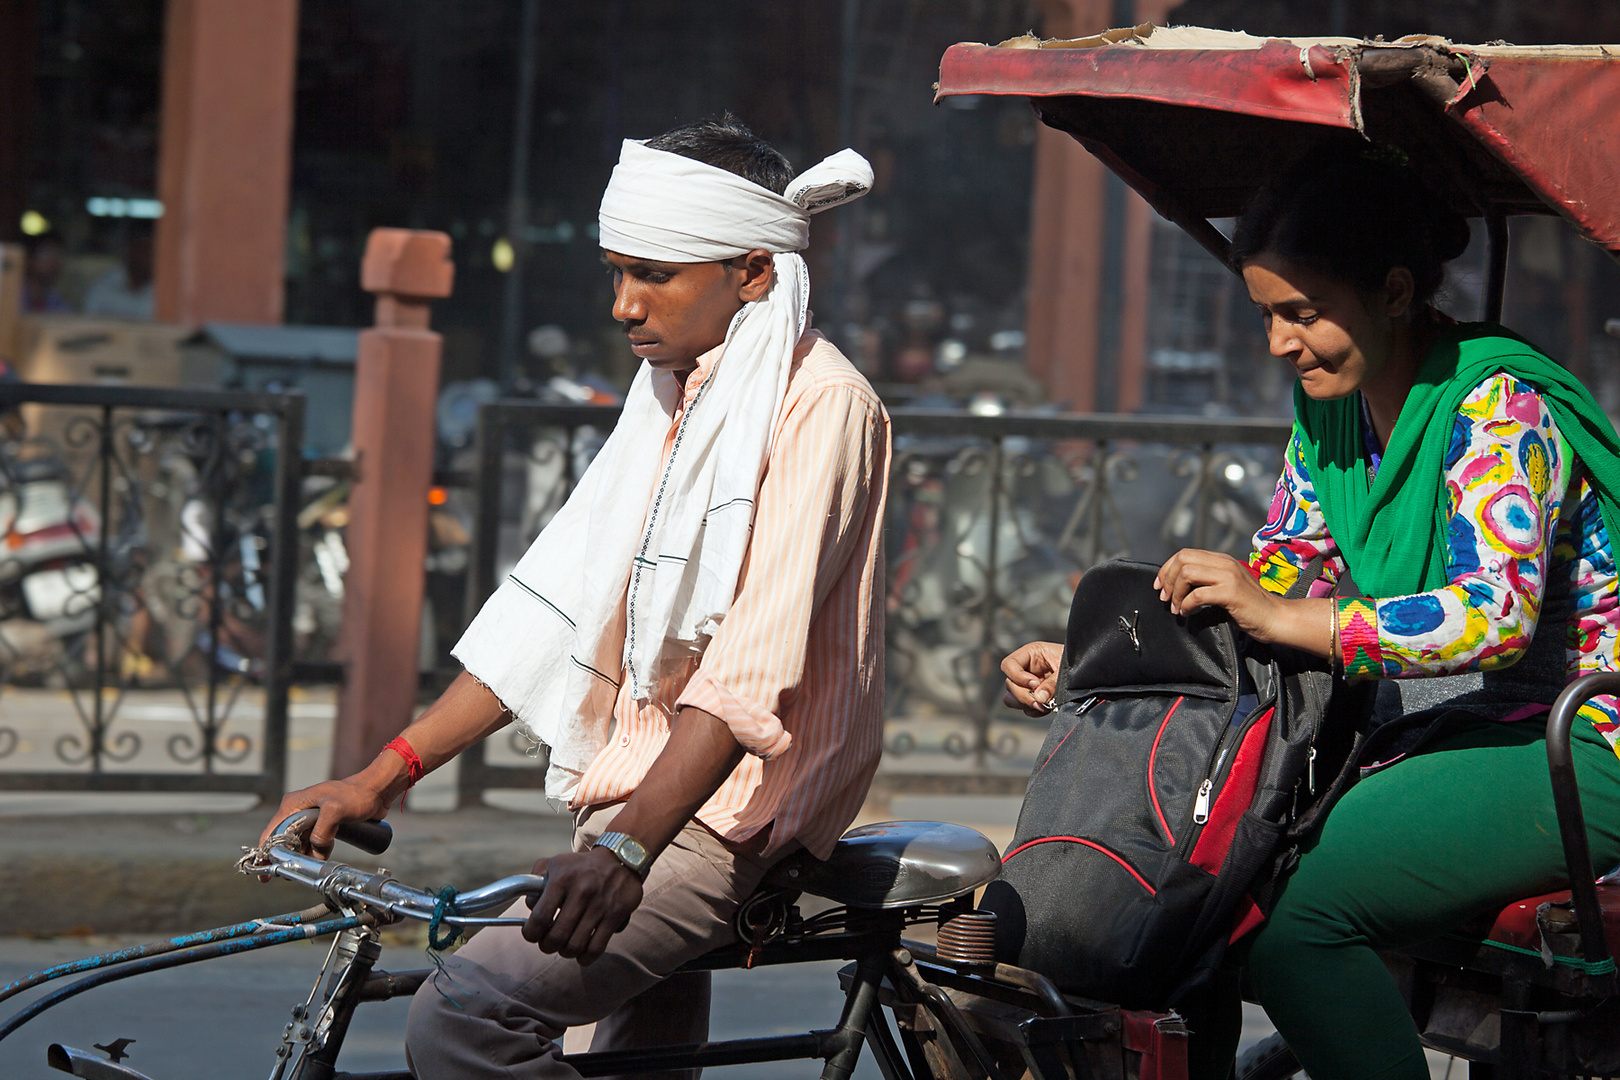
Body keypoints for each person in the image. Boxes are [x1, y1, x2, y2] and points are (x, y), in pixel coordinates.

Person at [260, 116, 889, 1078]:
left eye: (654, 275)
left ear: (753, 273)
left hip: (726, 822)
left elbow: (744, 675)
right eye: (616, 274)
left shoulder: (822, 405)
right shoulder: (673, 396)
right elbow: (553, 615)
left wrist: (626, 857)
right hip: (637, 811)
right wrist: (378, 778)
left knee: (466, 1019)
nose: (624, 306)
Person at [1002, 145, 1620, 1080]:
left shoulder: (1500, 404)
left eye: (1306, 313)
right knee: (1201, 889)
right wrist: (1092, 658)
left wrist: (1292, 618)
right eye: (1267, 315)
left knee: (1297, 933)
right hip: (1459, 728)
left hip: (1587, 741)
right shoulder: (1328, 411)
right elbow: (1275, 579)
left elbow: (1492, 617)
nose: (1282, 343)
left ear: (1398, 291)